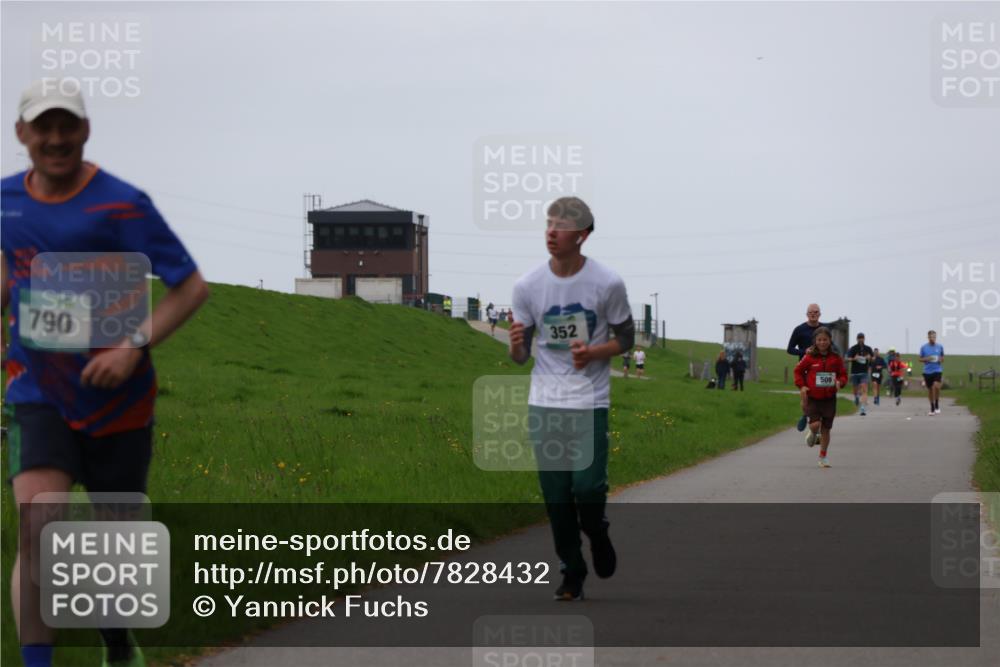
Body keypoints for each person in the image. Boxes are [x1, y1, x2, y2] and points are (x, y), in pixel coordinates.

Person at [2, 80, 209, 667]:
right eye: (43, 127)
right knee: (38, 531)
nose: (56, 138)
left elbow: (190, 289)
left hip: (118, 400)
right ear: (22, 134)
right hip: (37, 393)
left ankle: (116, 639)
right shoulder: (4, 202)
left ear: (86, 131)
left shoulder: (123, 204)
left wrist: (131, 347)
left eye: (68, 125)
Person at [509, 196, 633, 602]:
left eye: (560, 226)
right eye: (548, 224)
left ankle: (597, 531)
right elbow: (523, 355)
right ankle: (572, 569)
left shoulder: (606, 283)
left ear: (581, 235)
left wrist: (594, 353)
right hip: (545, 399)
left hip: (589, 400)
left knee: (588, 487)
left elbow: (626, 338)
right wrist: (514, 347)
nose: (550, 232)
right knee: (557, 497)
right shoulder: (527, 286)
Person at [794, 327, 847, 468]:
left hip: (829, 398)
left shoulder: (835, 358)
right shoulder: (809, 357)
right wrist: (802, 386)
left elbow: (843, 374)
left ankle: (823, 457)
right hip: (813, 397)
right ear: (815, 341)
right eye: (819, 340)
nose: (822, 342)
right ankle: (812, 433)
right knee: (815, 425)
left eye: (825, 339)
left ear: (830, 341)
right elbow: (798, 371)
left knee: (826, 429)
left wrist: (840, 382)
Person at [787, 303, 835, 431]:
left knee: (821, 396)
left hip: (821, 368)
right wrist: (804, 351)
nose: (813, 314)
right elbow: (790, 349)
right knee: (805, 396)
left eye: (816, 312)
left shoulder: (825, 329)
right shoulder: (799, 329)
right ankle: (806, 415)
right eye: (810, 312)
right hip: (805, 367)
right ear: (807, 314)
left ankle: (818, 424)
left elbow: (833, 346)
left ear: (820, 314)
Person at [846, 333, 874, 416]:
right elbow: (847, 359)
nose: (860, 339)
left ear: (864, 339)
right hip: (855, 372)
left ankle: (862, 408)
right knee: (855, 390)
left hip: (864, 372)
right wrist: (854, 358)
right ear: (857, 339)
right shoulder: (853, 348)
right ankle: (856, 397)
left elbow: (873, 358)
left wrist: (870, 358)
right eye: (859, 338)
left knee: (864, 389)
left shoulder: (868, 348)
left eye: (862, 338)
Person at [919, 330, 945, 415]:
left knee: (936, 386)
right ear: (928, 337)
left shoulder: (940, 346)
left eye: (934, 337)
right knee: (930, 389)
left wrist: (940, 359)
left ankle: (937, 404)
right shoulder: (924, 347)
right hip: (927, 371)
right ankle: (932, 407)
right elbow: (920, 359)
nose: (933, 338)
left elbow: (942, 358)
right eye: (931, 337)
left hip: (937, 370)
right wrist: (927, 359)